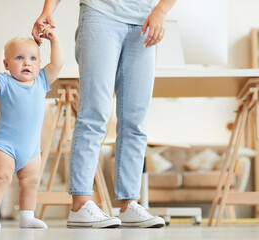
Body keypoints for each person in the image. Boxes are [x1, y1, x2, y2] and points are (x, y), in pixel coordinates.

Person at [33, 0, 176, 228]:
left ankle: (129, 203)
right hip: (101, 14)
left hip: (145, 20)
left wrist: (161, 10)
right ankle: (80, 204)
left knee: (135, 120)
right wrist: (48, 10)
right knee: (94, 114)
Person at [0, 26, 63, 229]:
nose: (27, 62)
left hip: (32, 149)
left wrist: (54, 40)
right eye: (19, 58)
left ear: (39, 64)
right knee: (0, 178)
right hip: (5, 146)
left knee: (31, 182)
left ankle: (27, 216)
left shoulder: (42, 81)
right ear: (6, 64)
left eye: (33, 58)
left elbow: (58, 63)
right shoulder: (4, 82)